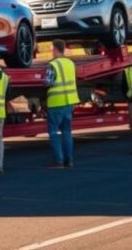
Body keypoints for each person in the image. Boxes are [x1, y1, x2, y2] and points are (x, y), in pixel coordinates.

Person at [44, 39, 79, 167]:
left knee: (53, 132)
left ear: (54, 49)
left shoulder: (53, 64)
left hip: (56, 103)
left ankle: (58, 160)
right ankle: (69, 160)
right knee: (67, 132)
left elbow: (48, 81)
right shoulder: (71, 63)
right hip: (69, 102)